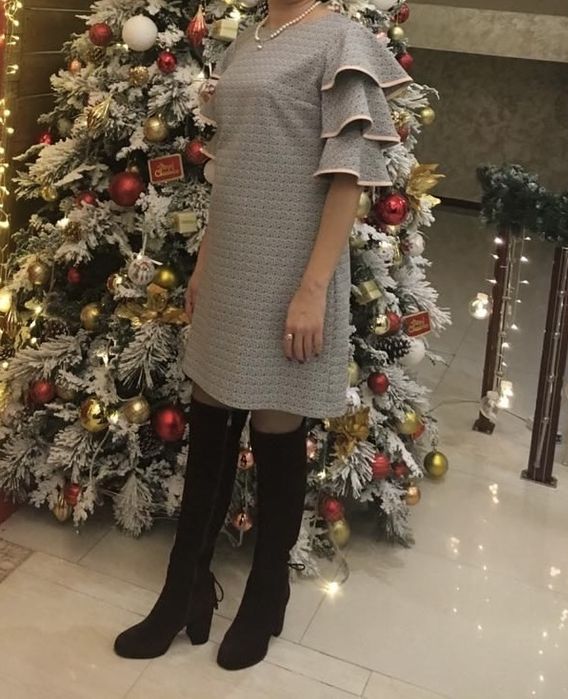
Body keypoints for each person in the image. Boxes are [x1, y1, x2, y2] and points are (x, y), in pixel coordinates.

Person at [114, 0, 411, 670]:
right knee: (209, 418)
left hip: (293, 268)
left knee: (277, 426)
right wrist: (205, 260)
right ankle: (184, 587)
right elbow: (230, 165)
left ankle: (267, 590)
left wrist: (314, 288)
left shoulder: (341, 40)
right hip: (232, 260)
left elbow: (348, 179)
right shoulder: (247, 40)